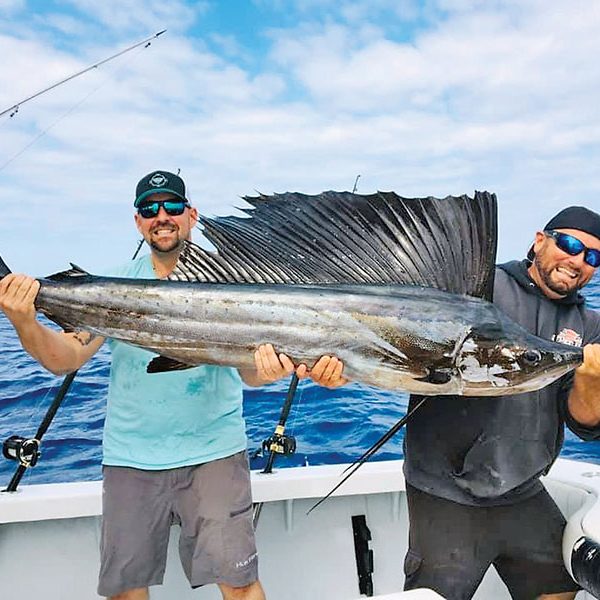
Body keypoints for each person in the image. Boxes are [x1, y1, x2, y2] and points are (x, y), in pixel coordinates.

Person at [0, 170, 346, 600]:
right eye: (149, 209)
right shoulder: (111, 285)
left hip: (214, 455)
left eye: (172, 206)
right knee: (126, 592)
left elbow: (249, 372)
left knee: (239, 586)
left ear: (191, 214)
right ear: (138, 222)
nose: (161, 216)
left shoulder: (233, 284)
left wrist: (270, 371)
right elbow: (63, 359)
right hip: (131, 457)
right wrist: (23, 319)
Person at [402, 206, 600, 600]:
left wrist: (591, 381)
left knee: (559, 587)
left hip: (522, 488)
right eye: (570, 244)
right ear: (540, 240)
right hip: (446, 490)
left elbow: (582, 423)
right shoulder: (478, 287)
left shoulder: (589, 325)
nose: (577, 260)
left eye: (592, 256)